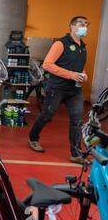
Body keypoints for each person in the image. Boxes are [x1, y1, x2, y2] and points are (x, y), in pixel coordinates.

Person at [28, 16, 89, 164]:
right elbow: (47, 65)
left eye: (87, 24)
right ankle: (33, 138)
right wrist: (71, 75)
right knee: (47, 114)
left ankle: (75, 153)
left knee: (77, 120)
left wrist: (84, 74)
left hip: (75, 90)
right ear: (72, 26)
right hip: (58, 87)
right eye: (82, 24)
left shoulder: (83, 46)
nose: (85, 27)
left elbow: (79, 67)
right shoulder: (61, 44)